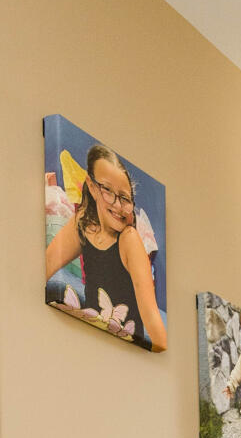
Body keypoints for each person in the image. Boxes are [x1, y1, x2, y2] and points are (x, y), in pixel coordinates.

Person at [45, 144, 167, 352]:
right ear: (91, 187)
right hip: (90, 333)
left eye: (125, 198)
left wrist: (160, 346)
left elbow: (152, 318)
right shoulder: (82, 223)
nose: (118, 205)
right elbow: (45, 265)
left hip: (123, 342)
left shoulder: (129, 240)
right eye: (108, 191)